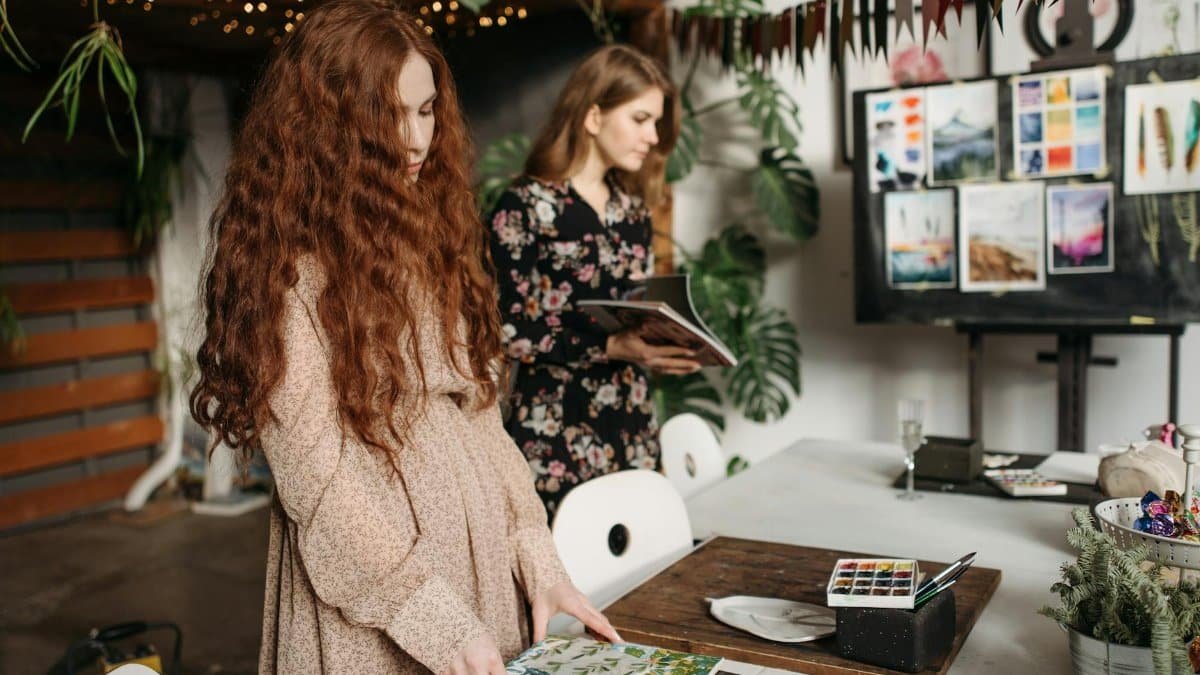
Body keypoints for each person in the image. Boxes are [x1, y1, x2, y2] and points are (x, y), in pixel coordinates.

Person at [189, 2, 618, 673]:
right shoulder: (281, 269)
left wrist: (537, 556)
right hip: (374, 591)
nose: (416, 139)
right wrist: (430, 612)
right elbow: (319, 482)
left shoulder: (425, 237)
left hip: (478, 570)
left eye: (426, 111)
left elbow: (480, 417)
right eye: (391, 114)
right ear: (329, 125)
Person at [487, 45, 701, 520]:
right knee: (566, 580)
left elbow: (629, 312)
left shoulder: (633, 211)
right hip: (554, 431)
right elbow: (501, 330)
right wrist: (609, 347)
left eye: (656, 122)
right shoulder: (524, 207)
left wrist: (668, 344)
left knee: (641, 570)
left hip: (632, 425)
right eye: (641, 118)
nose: (653, 135)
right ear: (592, 116)